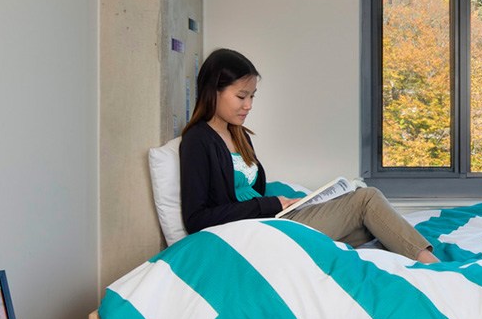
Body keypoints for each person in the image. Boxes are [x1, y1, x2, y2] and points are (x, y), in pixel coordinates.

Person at [178, 49, 436, 263]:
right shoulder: (197, 141)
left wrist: (292, 205)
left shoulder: (239, 135)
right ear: (213, 91)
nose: (249, 105)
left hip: (271, 221)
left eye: (252, 96)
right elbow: (196, 219)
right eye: (241, 96)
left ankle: (412, 260)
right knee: (367, 199)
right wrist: (271, 204)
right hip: (253, 233)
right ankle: (434, 266)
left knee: (369, 223)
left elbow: (252, 192)